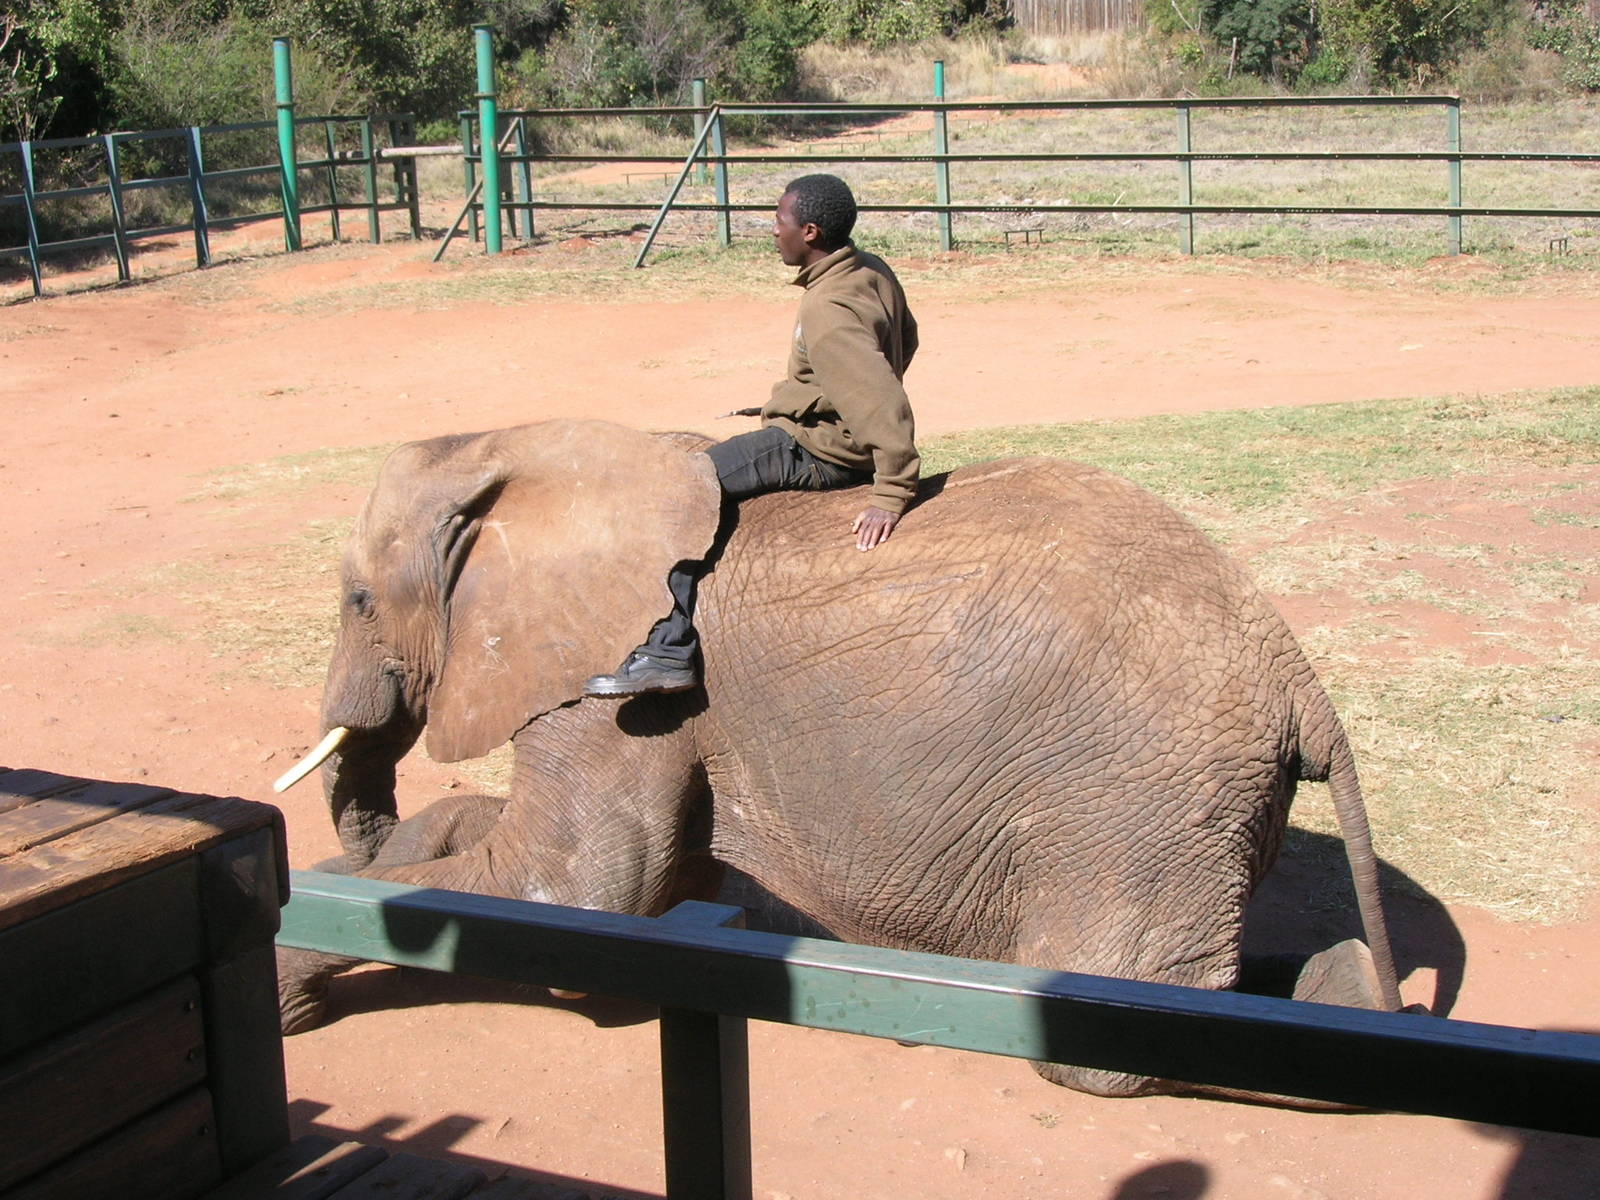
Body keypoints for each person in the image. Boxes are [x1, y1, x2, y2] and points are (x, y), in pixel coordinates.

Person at [584, 173, 920, 697]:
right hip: (829, 429)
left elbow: (877, 394)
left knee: (681, 492)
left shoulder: (826, 306)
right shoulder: (867, 267)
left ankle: (667, 650)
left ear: (809, 232)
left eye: (779, 220)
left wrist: (891, 490)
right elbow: (905, 338)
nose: (773, 230)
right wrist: (824, 394)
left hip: (816, 449)